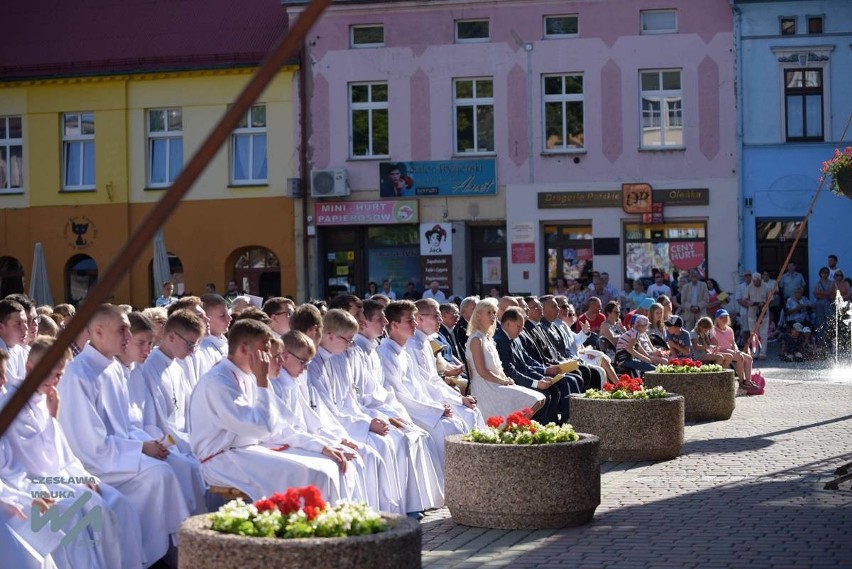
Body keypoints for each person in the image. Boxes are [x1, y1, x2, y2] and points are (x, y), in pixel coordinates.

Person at [57, 304, 190, 567]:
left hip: (119, 452)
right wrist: (140, 449)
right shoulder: (78, 375)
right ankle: (155, 555)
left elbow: (126, 424)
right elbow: (90, 444)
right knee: (160, 475)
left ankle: (173, 545)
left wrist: (146, 444)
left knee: (180, 464)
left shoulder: (114, 368)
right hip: (97, 462)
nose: (128, 337)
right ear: (97, 331)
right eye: (122, 330)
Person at [378, 300, 470, 465]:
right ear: (394, 325)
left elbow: (419, 387)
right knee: (448, 428)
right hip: (407, 411)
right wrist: (434, 409)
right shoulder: (386, 354)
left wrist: (438, 406)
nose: (415, 324)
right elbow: (399, 396)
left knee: (458, 421)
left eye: (414, 319)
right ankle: (449, 482)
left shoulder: (404, 352)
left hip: (421, 406)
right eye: (410, 320)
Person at [466, 299, 547, 419]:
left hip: (496, 383)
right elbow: (482, 371)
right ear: (478, 315)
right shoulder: (476, 339)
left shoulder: (488, 338)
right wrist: (502, 381)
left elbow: (498, 368)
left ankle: (514, 427)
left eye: (494, 312)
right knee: (535, 399)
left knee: (540, 399)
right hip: (486, 388)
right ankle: (512, 428)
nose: (493, 316)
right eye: (488, 312)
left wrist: (506, 379)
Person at [711, 309, 756, 391]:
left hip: (729, 351)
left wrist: (736, 349)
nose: (724, 319)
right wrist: (731, 351)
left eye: (726, 317)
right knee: (739, 357)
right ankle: (742, 382)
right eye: (721, 317)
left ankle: (748, 381)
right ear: (717, 319)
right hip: (718, 351)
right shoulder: (713, 330)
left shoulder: (729, 330)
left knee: (749, 358)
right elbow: (715, 347)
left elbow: (733, 342)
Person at [744, 272, 771, 359]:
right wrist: (750, 303)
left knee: (763, 334)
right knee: (754, 333)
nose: (756, 283)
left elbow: (771, 299)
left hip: (763, 313)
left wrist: (764, 303)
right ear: (753, 280)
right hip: (752, 313)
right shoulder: (749, 287)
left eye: (758, 281)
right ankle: (755, 353)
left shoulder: (766, 286)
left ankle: (763, 353)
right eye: (755, 281)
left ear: (760, 280)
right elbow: (745, 299)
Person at [812, 266, 834, 336]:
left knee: (829, 321)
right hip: (819, 303)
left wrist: (820, 293)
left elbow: (830, 292)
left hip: (828, 303)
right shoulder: (817, 283)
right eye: (824, 272)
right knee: (820, 322)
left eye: (827, 273)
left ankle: (830, 340)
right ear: (820, 273)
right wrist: (826, 294)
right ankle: (821, 340)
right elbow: (816, 294)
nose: (825, 274)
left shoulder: (831, 283)